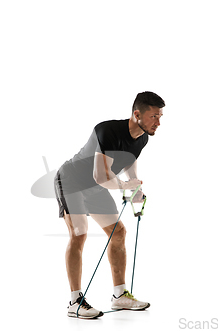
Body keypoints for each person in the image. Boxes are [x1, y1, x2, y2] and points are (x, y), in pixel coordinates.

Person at [54, 91, 165, 319]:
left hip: (95, 187)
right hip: (72, 180)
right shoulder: (107, 131)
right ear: (137, 114)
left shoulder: (142, 138)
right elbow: (101, 176)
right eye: (154, 116)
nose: (159, 122)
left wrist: (135, 188)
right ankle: (75, 301)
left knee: (118, 233)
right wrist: (125, 186)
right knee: (79, 233)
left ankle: (119, 296)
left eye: (160, 116)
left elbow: (130, 160)